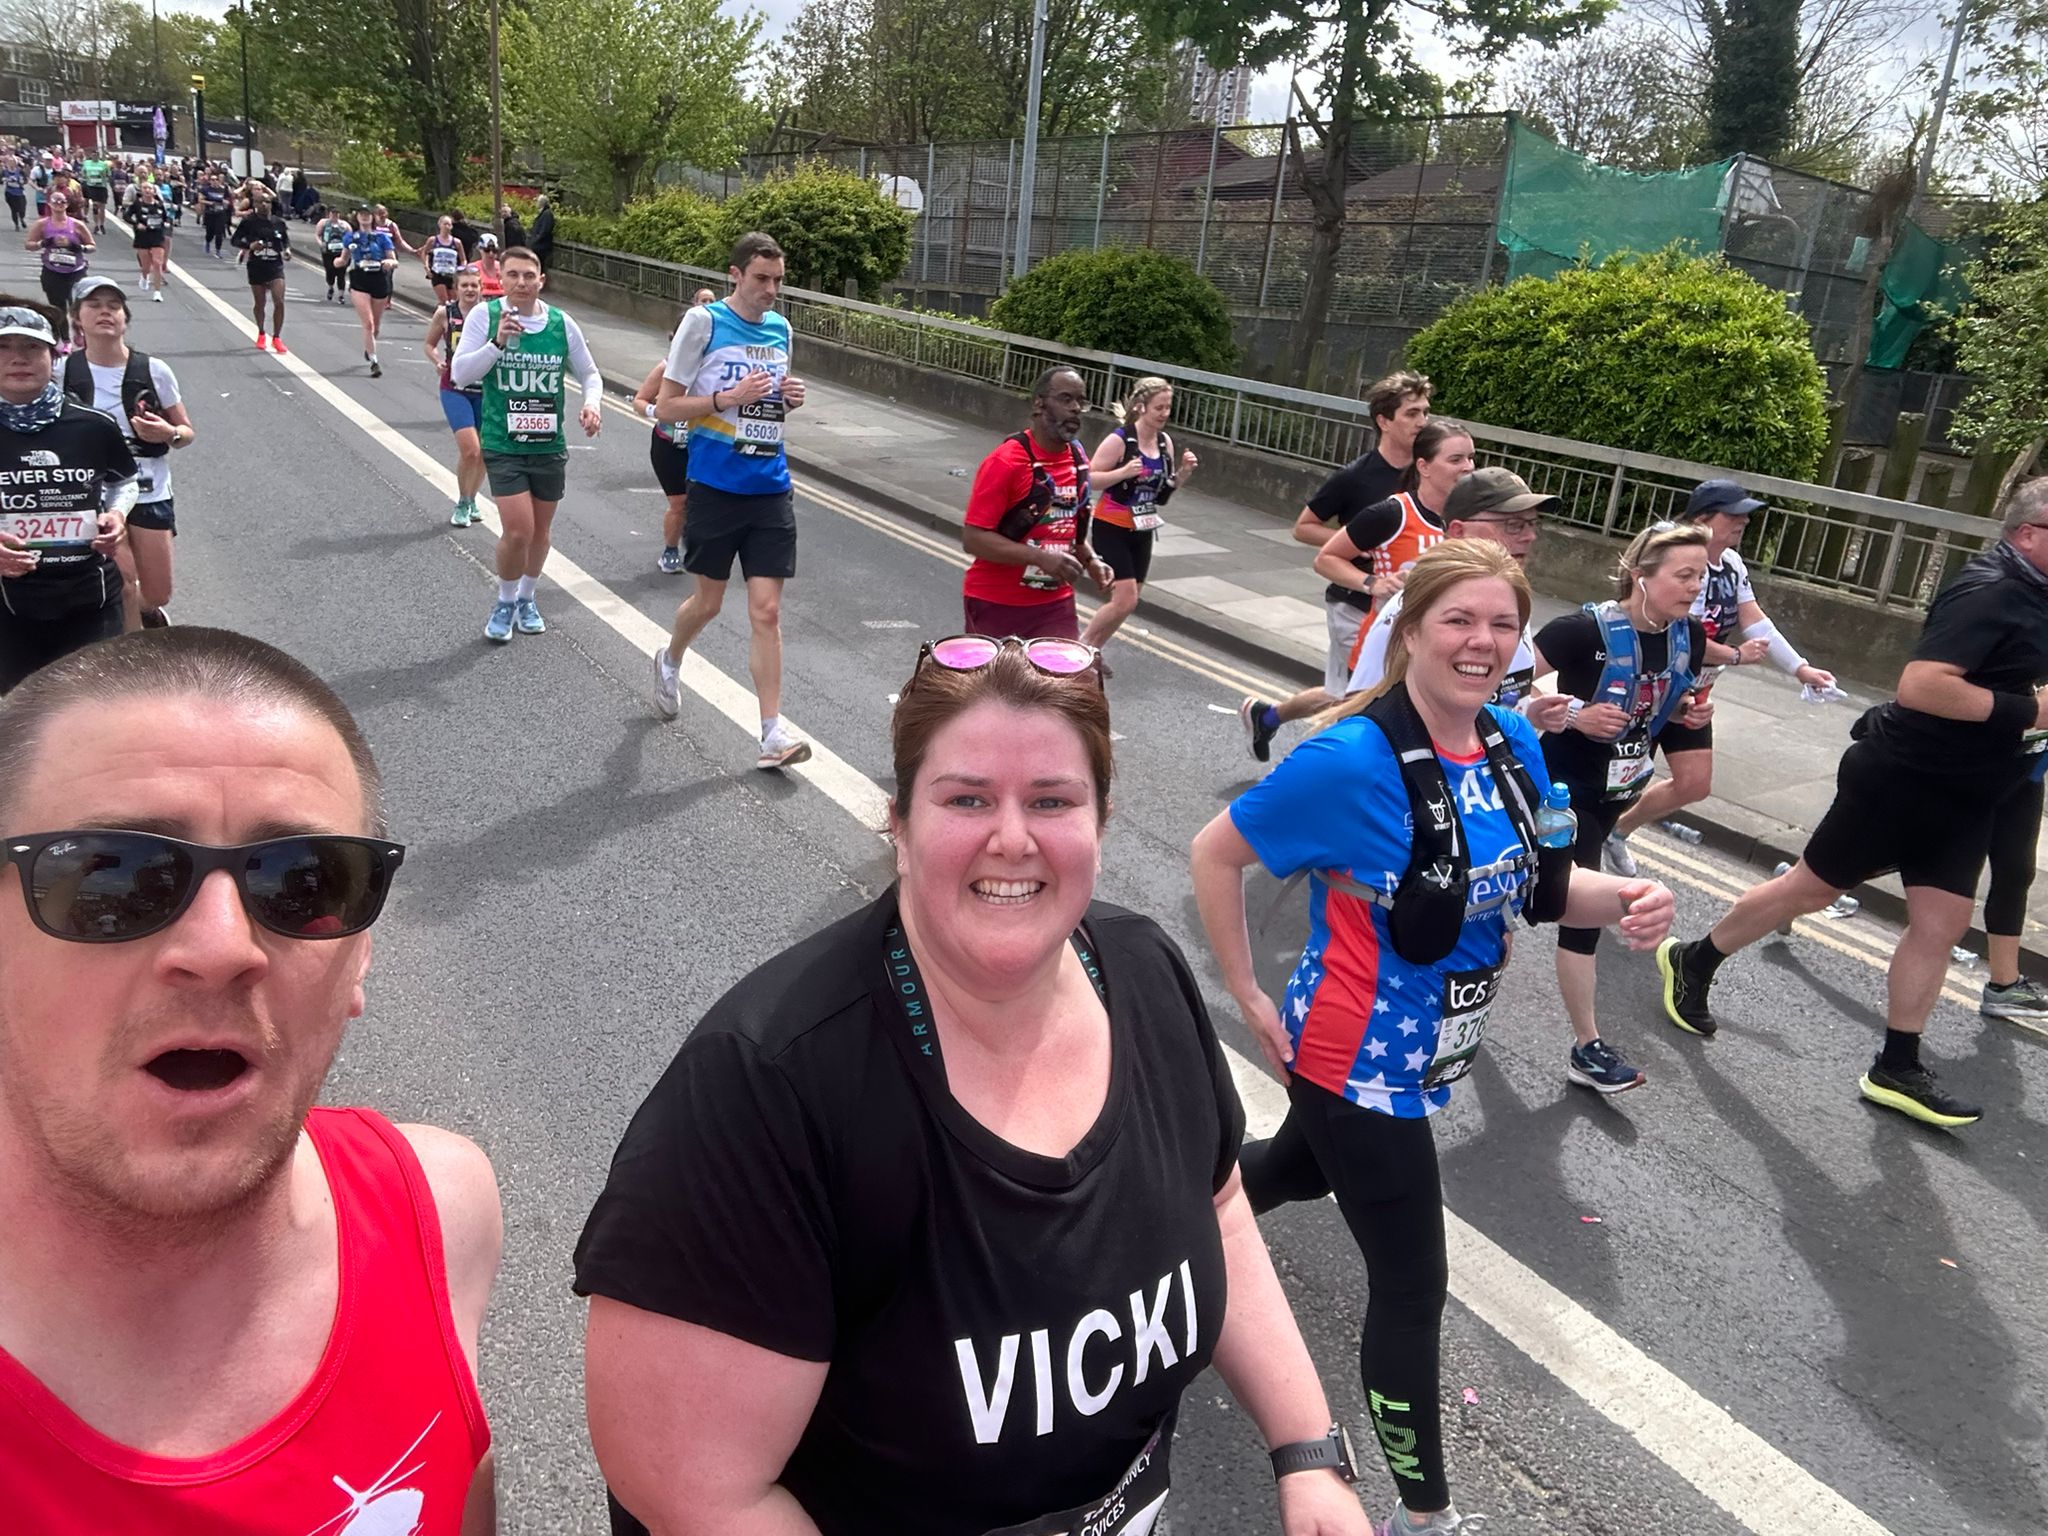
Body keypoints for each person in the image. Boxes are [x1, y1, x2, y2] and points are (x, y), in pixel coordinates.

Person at [579, 635, 1375, 1536]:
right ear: (900, 823)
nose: (1012, 836)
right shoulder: (765, 1088)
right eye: (966, 799)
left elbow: (1219, 1200)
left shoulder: (1145, 972)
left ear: (1099, 825)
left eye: (1051, 800)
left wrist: (1307, 1451)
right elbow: (691, 1489)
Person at [1192, 540, 1673, 1536]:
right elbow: (1216, 849)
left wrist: (1620, 892)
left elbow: (1542, 888)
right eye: (1457, 620)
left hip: (1424, 1054)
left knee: (1294, 1172)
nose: (1480, 642)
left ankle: (1162, 1205)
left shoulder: (1509, 741)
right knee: (1411, 1289)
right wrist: (1244, 990)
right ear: (1408, 630)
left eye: (1501, 624)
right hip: (1351, 1057)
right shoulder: (1347, 759)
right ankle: (1425, 1514)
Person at [0, 627, 502, 1530]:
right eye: (113, 876)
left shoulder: (440, 1209)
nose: (223, 948)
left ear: (360, 959)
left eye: (305, 880)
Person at [1657, 478, 2048, 1127]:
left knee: (1941, 924)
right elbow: (1922, 686)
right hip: (1903, 779)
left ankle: (1897, 1065)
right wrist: (2026, 711)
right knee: (1808, 890)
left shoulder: (2035, 592)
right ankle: (1693, 959)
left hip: (1968, 790)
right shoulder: (1992, 590)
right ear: (2031, 534)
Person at [1526, 521, 1711, 1095]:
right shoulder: (1580, 632)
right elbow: (1505, 686)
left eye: (1701, 576)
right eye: (1683, 575)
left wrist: (1686, 716)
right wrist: (1574, 711)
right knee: (1580, 916)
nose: (1694, 587)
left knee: (1520, 902)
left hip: (1616, 794)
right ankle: (1586, 1047)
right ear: (1641, 576)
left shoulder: (1691, 638)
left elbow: (1669, 703)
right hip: (1560, 795)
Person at [1603, 480, 1838, 877]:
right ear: (1702, 520)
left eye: (1745, 515)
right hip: (1650, 687)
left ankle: (1617, 831)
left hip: (1693, 695)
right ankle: (1578, 858)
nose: (1743, 521)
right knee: (1614, 783)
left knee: (1694, 784)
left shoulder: (1731, 565)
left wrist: (1800, 668)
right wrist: (1734, 655)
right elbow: (1682, 632)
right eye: (1733, 515)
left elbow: (1754, 619)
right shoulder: (1676, 567)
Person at [650, 232, 812, 768]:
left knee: (767, 611)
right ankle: (671, 657)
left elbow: (767, 410)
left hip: (770, 486)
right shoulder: (705, 323)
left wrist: (785, 399)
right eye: (762, 279)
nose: (772, 290)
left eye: (778, 280)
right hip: (716, 485)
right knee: (710, 603)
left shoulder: (781, 329)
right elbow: (665, 408)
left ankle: (771, 733)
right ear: (735, 275)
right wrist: (725, 398)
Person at [1238, 370, 1432, 761]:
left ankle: (1269, 716)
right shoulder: (1356, 477)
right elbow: (1303, 527)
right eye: (1412, 413)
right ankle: (1317, 772)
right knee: (1367, 698)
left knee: (1342, 693)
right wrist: (1356, 546)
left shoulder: (1425, 472)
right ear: (1384, 421)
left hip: (1402, 607)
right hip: (1354, 602)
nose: (1422, 422)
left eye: (1425, 412)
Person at [1345, 467, 1572, 737]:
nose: (1529, 536)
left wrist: (1528, 710)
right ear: (1458, 530)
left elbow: (1491, 693)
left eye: (1532, 524)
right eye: (1514, 525)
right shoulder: (1411, 607)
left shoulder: (1508, 596)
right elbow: (1360, 709)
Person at [448, 245, 602, 644]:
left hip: (548, 443)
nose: (520, 283)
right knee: (518, 530)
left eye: (528, 276)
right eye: (512, 275)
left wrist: (591, 404)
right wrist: (497, 344)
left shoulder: (561, 324)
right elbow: (461, 372)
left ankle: (527, 598)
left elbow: (590, 373)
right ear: (500, 278)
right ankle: (504, 600)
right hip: (503, 441)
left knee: (540, 531)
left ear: (541, 281)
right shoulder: (486, 316)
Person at [0, 299, 136, 693]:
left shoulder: (93, 424)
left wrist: (117, 515)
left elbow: (124, 481)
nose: (17, 359)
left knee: (90, 706)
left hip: (88, 595)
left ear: (54, 356)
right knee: (19, 714)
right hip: (10, 604)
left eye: (31, 348)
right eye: (4, 348)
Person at [64, 276, 195, 631]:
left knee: (157, 592)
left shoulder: (153, 370)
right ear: (78, 318)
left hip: (150, 491)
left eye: (114, 306)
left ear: (125, 318)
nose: (105, 312)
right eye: (94, 306)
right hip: (97, 497)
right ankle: (132, 660)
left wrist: (168, 433)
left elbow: (186, 432)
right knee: (123, 583)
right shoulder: (64, 372)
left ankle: (143, 614)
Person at [958, 366, 1114, 643]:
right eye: (1066, 399)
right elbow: (973, 539)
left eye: (1081, 401)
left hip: (1054, 605)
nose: (1076, 408)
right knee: (1001, 687)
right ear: (1039, 404)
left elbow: (1067, 523)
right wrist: (1040, 557)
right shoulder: (1006, 461)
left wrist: (1091, 560)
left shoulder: (1078, 458)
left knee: (1067, 683)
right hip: (996, 602)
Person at [1080, 375, 1197, 670]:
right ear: (1142, 407)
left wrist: (1182, 473)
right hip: (1111, 526)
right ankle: (1081, 649)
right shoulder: (1120, 440)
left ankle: (1094, 650)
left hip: (1142, 529)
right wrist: (1122, 473)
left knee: (1128, 602)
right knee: (1125, 600)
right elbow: (1090, 479)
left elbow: (1162, 495)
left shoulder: (1164, 442)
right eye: (1159, 407)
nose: (1165, 414)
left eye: (1168, 407)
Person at [633, 296, 713, 573]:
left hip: (703, 444)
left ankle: (696, 537)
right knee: (679, 503)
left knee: (704, 501)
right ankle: (669, 551)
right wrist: (659, 412)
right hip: (669, 445)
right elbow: (639, 400)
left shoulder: (712, 370)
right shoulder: (666, 368)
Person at [1979, 755, 2048, 1021]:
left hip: (2026, 776)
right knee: (1898, 852)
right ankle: (1837, 888)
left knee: (2016, 872)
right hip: (1968, 770)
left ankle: (2003, 985)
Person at [423, 266, 488, 528]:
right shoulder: (445, 314)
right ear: (456, 288)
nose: (470, 290)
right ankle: (461, 501)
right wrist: (437, 361)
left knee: (484, 452)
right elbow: (428, 344)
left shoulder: (491, 316)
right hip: (455, 388)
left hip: (485, 391)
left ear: (481, 288)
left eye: (475, 285)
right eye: (465, 285)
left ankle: (472, 499)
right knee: (470, 450)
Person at [26, 192, 93, 345]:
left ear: (67, 204)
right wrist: (43, 244)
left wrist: (79, 247)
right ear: (49, 204)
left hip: (75, 270)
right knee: (58, 307)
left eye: (62, 201)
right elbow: (29, 244)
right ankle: (65, 340)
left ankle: (78, 330)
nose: (59, 204)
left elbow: (92, 246)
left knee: (78, 304)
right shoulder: (42, 224)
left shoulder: (77, 225)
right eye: (55, 201)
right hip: (52, 270)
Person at [231, 187, 292, 355]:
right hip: (257, 265)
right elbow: (235, 240)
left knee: (279, 300)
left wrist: (287, 250)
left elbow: (285, 241)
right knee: (260, 303)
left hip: (275, 266)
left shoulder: (278, 222)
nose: (264, 205)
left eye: (267, 202)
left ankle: (277, 338)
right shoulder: (249, 221)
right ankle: (261, 333)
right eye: (260, 202)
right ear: (255, 204)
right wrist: (249, 246)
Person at [342, 206, 396, 375]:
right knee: (369, 323)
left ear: (372, 218)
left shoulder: (382, 237)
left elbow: (394, 260)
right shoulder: (350, 237)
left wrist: (389, 263)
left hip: (379, 279)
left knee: (376, 326)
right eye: (361, 215)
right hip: (359, 279)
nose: (365, 218)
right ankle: (374, 361)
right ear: (357, 217)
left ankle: (369, 346)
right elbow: (343, 259)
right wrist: (337, 262)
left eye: (367, 215)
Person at [126, 180, 172, 303]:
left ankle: (157, 292)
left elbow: (165, 217)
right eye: (144, 188)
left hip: (157, 236)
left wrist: (166, 223)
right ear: (141, 191)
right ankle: (144, 276)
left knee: (157, 263)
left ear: (154, 191)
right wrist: (137, 224)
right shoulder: (137, 204)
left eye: (150, 188)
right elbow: (127, 216)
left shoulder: (159, 204)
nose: (147, 190)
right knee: (146, 266)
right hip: (143, 237)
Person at [422, 213, 467, 304]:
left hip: (452, 275)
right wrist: (426, 267)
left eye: (449, 224)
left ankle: (441, 316)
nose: (447, 226)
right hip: (438, 274)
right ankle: (441, 316)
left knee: (453, 301)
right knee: (444, 301)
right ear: (440, 225)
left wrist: (462, 270)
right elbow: (425, 253)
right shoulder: (433, 240)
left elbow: (463, 259)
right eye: (445, 224)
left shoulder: (457, 242)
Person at [315, 204, 353, 301]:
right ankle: (331, 287)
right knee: (330, 271)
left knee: (341, 273)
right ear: (329, 214)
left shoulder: (344, 225)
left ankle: (341, 295)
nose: (335, 215)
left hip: (341, 252)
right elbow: (317, 235)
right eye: (333, 213)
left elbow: (351, 237)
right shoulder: (323, 223)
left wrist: (349, 249)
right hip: (328, 252)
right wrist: (321, 244)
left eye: (337, 213)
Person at [198, 169, 231, 258]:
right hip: (210, 213)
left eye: (216, 179)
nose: (215, 181)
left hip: (220, 213)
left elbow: (228, 200)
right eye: (212, 180)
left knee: (219, 232)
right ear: (210, 181)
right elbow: (200, 200)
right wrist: (210, 203)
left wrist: (226, 202)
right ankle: (208, 242)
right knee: (210, 232)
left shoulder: (223, 190)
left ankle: (218, 250)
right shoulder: (206, 189)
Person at [79, 152, 109, 233]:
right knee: (95, 206)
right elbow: (83, 173)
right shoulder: (86, 163)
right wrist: (87, 177)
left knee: (102, 208)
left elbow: (108, 174)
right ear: (91, 155)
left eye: (96, 155)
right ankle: (96, 225)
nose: (94, 156)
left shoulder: (103, 164)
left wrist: (102, 176)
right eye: (93, 155)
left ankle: (102, 224)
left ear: (99, 156)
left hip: (102, 187)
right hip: (92, 187)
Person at [528, 193, 554, 269]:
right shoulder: (544, 213)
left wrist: (536, 240)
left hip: (541, 246)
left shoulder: (547, 214)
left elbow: (544, 230)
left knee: (540, 265)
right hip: (539, 245)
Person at [3, 156, 26, 230]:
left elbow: (25, 180)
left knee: (22, 209)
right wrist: (5, 180)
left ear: (16, 163)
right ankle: (16, 225)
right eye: (9, 162)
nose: (11, 163)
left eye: (13, 162)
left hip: (19, 193)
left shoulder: (20, 171)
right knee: (14, 209)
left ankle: (22, 218)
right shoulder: (4, 171)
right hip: (10, 193)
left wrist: (21, 181)